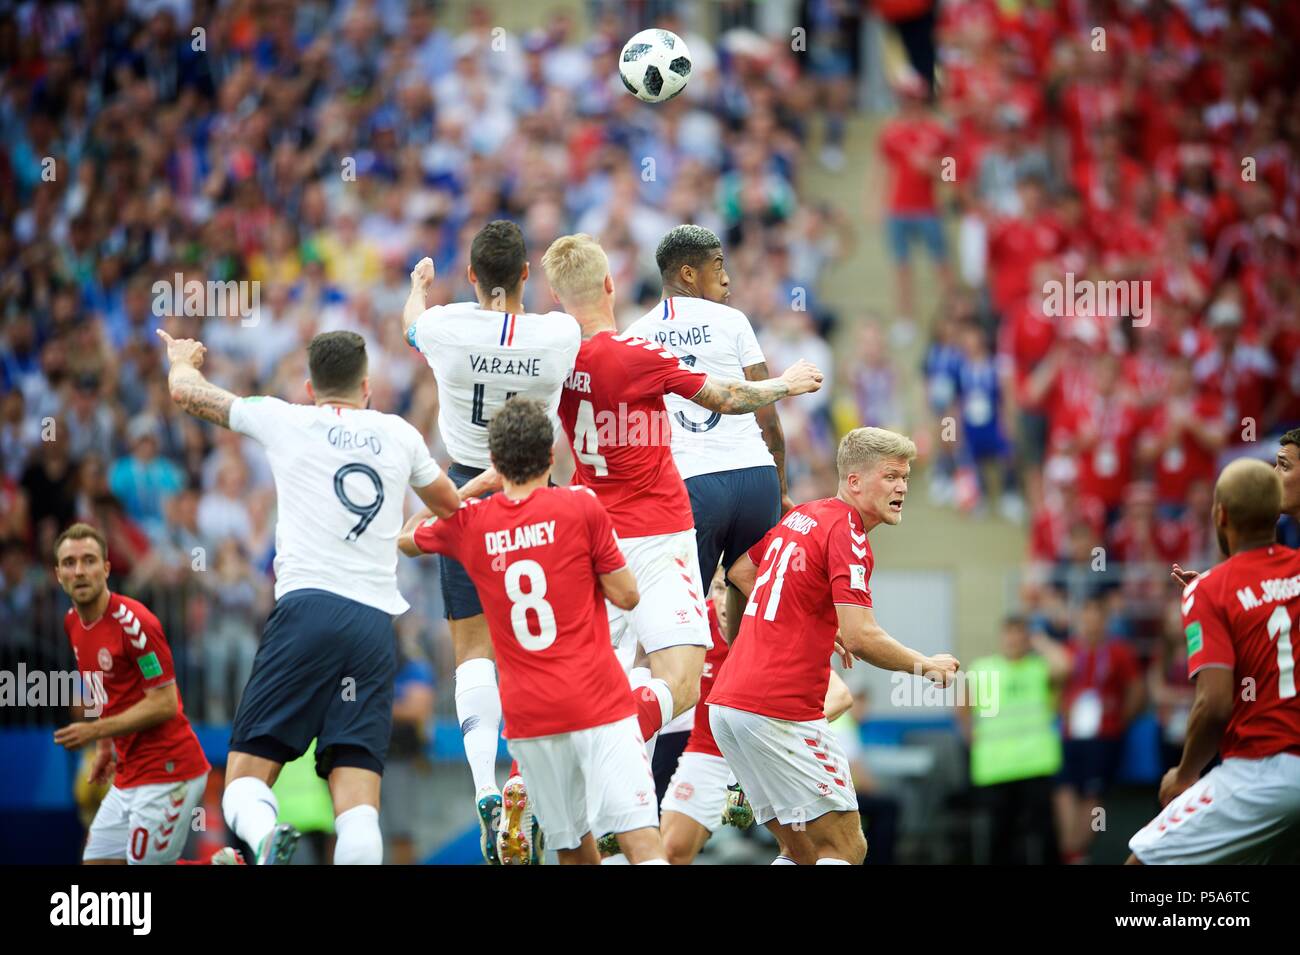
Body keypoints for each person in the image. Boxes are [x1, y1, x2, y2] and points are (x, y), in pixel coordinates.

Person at [158, 327, 461, 865]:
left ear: (308, 385)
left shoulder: (287, 418)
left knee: (243, 781)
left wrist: (181, 359)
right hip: (373, 626)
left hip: (306, 611)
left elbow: (187, 393)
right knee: (359, 804)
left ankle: (267, 834)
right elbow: (451, 507)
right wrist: (407, 529)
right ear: (366, 386)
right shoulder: (400, 433)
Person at [537, 232, 825, 771]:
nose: (728, 278)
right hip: (682, 511)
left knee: (624, 662)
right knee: (731, 631)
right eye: (719, 266)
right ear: (608, 283)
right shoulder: (656, 345)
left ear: (555, 297)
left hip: (617, 522)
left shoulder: (558, 360)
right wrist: (785, 405)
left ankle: (590, 775)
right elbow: (741, 402)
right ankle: (746, 742)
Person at [399, 397, 666, 864]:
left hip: (531, 719)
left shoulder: (472, 524)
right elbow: (627, 596)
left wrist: (470, 489)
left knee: (571, 851)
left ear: (497, 463)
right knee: (642, 843)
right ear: (550, 457)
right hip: (597, 700)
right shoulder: (580, 507)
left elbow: (406, 538)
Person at [402, 220, 581, 863]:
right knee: (542, 644)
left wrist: (420, 284)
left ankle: (483, 782)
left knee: (472, 646)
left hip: (464, 494)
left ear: (472, 276)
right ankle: (525, 781)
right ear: (527, 275)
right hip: (538, 490)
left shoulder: (445, 326)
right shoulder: (559, 335)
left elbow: (410, 323)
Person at [708, 427, 960, 864]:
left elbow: (741, 573)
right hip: (777, 708)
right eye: (890, 476)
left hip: (729, 708)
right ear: (854, 481)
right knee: (847, 847)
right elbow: (864, 636)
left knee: (801, 849)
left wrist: (820, 623)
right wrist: (926, 665)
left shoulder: (805, 515)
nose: (902, 487)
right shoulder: (848, 532)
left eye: (905, 478)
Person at [624, 224, 800, 792]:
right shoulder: (734, 323)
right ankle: (745, 772)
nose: (728, 276)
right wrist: (780, 484)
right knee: (753, 626)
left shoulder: (637, 335)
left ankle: (629, 778)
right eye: (717, 264)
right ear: (687, 274)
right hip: (753, 480)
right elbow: (767, 408)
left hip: (690, 490)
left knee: (670, 637)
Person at [1129, 459, 1300, 863]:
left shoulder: (1208, 590)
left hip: (1260, 773)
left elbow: (1214, 703)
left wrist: (1185, 773)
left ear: (1220, 515)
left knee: (1140, 862)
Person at [659, 570, 855, 865]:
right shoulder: (694, 626)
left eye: (732, 590)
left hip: (767, 753)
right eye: (717, 588)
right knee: (671, 850)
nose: (725, 601)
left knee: (803, 852)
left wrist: (774, 729)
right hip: (709, 752)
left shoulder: (770, 630)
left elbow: (840, 695)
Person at [51, 523, 218, 864]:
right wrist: (104, 748)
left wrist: (95, 730)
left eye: (89, 560)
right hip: (128, 772)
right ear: (58, 574)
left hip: (169, 770)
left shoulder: (135, 622)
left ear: (107, 568)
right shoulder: (72, 623)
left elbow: (165, 702)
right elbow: (104, 690)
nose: (79, 571)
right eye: (69, 563)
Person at [959, 615, 1068, 865]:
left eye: (1020, 633)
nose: (1014, 639)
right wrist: (973, 742)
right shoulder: (982, 669)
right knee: (1001, 840)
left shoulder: (1038, 668)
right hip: (996, 770)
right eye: (1009, 633)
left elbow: (1063, 666)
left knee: (1045, 837)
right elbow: (963, 710)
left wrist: (1041, 642)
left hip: (1036, 766)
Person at [1054, 595, 1145, 864]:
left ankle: (1078, 852)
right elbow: (1058, 686)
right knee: (1065, 789)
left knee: (1093, 794)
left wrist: (1119, 719)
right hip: (1072, 734)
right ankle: (1069, 849)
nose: (1091, 624)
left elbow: (1137, 689)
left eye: (1097, 617)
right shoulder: (1069, 650)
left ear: (1106, 621)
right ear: (1080, 619)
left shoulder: (1119, 651)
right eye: (1087, 617)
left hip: (1105, 735)